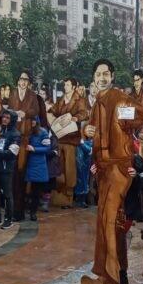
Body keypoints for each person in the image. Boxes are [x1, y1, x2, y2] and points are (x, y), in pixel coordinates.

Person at [80, 59, 143, 284]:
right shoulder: (97, 102)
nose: (101, 78)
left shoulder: (120, 97)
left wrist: (124, 120)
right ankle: (121, 273)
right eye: (98, 74)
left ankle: (111, 283)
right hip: (102, 170)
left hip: (119, 169)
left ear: (112, 75)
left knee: (108, 221)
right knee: (114, 223)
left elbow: (141, 115)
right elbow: (92, 129)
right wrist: (85, 131)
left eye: (105, 74)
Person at [48, 78, 88, 209]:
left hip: (71, 139)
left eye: (68, 84)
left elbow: (84, 113)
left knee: (70, 168)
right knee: (59, 167)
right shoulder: (60, 100)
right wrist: (52, 118)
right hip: (59, 138)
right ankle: (60, 196)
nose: (65, 86)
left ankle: (69, 196)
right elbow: (52, 111)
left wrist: (74, 118)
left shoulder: (79, 99)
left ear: (74, 86)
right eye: (64, 84)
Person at [7, 69, 39, 218]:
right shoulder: (12, 94)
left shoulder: (32, 96)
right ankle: (12, 209)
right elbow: (8, 112)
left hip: (25, 137)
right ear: (17, 80)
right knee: (12, 173)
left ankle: (19, 210)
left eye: (26, 79)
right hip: (13, 135)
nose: (23, 81)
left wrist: (25, 114)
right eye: (21, 79)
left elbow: (35, 110)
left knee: (21, 172)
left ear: (29, 82)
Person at [0, 110, 21, 228]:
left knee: (7, 195)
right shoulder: (2, 132)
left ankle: (9, 219)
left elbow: (12, 153)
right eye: (3, 117)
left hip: (6, 169)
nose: (4, 119)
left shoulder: (15, 134)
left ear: (12, 120)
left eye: (7, 118)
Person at [25, 118, 52, 221]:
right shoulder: (26, 130)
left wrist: (34, 149)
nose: (31, 121)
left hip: (37, 164)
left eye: (33, 119)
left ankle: (33, 212)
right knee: (27, 190)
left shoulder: (42, 132)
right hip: (27, 163)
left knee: (35, 191)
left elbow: (47, 148)